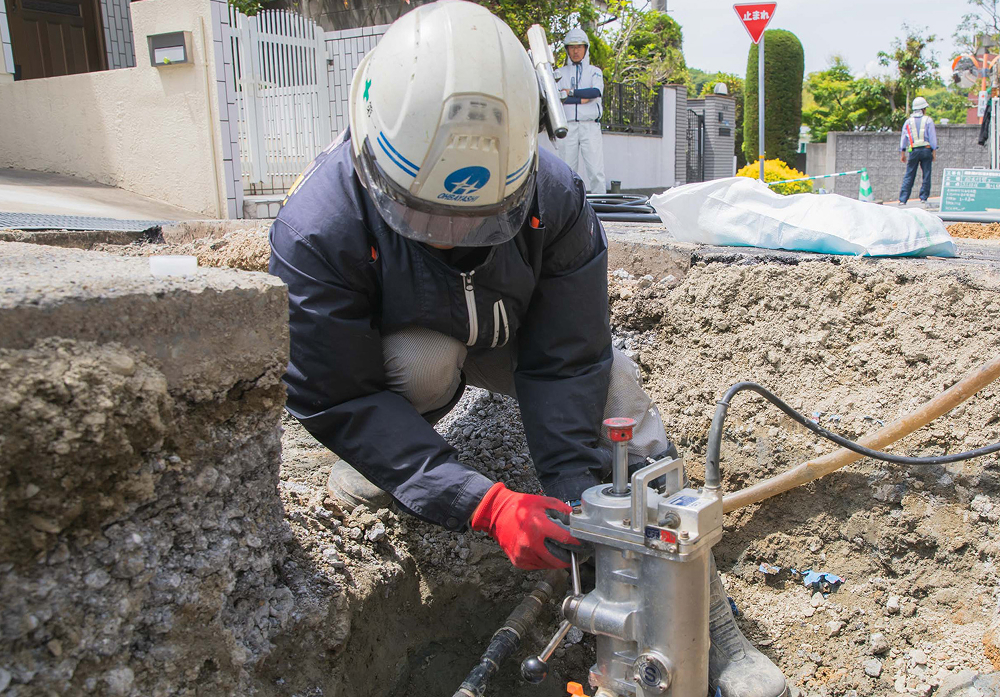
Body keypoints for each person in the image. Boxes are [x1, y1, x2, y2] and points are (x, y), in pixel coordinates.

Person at [268, 1, 784, 694]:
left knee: (617, 385)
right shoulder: (314, 231)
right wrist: (484, 504)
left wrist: (582, 498)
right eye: (425, 220)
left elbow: (567, 360)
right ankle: (393, 469)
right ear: (372, 161)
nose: (450, 238)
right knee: (418, 368)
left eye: (478, 222)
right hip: (407, 347)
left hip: (516, 329)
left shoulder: (558, 197)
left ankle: (711, 626)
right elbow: (338, 394)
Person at [553, 27, 607, 194]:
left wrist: (571, 93)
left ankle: (601, 206)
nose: (575, 51)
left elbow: (595, 92)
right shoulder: (559, 73)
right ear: (567, 49)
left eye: (579, 47)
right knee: (567, 170)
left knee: (596, 170)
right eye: (572, 47)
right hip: (568, 127)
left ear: (586, 48)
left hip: (589, 125)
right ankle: (568, 207)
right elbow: (557, 97)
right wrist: (582, 98)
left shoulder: (594, 72)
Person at [898, 96, 938, 207]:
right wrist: (934, 152)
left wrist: (902, 152)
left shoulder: (908, 122)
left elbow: (903, 138)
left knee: (909, 174)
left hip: (913, 150)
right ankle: (923, 198)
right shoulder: (928, 120)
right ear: (923, 109)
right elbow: (932, 138)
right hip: (926, 150)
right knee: (926, 174)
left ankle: (903, 199)